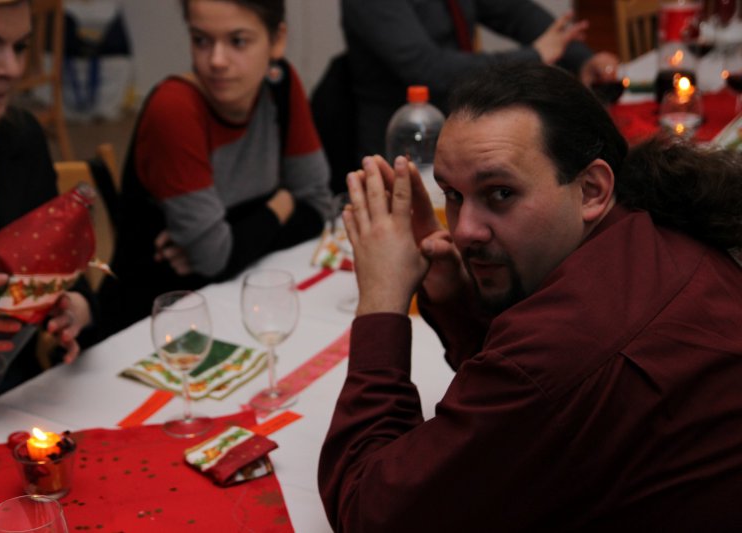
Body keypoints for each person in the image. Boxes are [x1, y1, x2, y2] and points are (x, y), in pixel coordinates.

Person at [318, 62, 742, 531]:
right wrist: (458, 301)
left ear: (591, 190)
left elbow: (369, 511)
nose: (464, 231)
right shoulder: (657, 225)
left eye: (500, 193)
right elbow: (535, 417)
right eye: (453, 194)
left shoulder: (562, 348)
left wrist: (381, 301)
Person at [100, 0, 332, 336]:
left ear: (277, 40)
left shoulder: (279, 84)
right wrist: (282, 203)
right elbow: (214, 259)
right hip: (154, 327)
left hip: (232, 302)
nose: (217, 61)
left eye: (238, 41)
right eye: (201, 40)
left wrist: (231, 237)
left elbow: (318, 207)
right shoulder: (175, 109)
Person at [0, 0, 93, 422]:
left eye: (21, 47)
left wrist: (74, 308)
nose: (11, 68)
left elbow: (71, 277)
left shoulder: (20, 140)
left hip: (20, 411)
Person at [340, 0, 619, 160]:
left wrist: (582, 58)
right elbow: (428, 68)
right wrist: (535, 56)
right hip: (405, 144)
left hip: (463, 126)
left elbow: (515, 12)